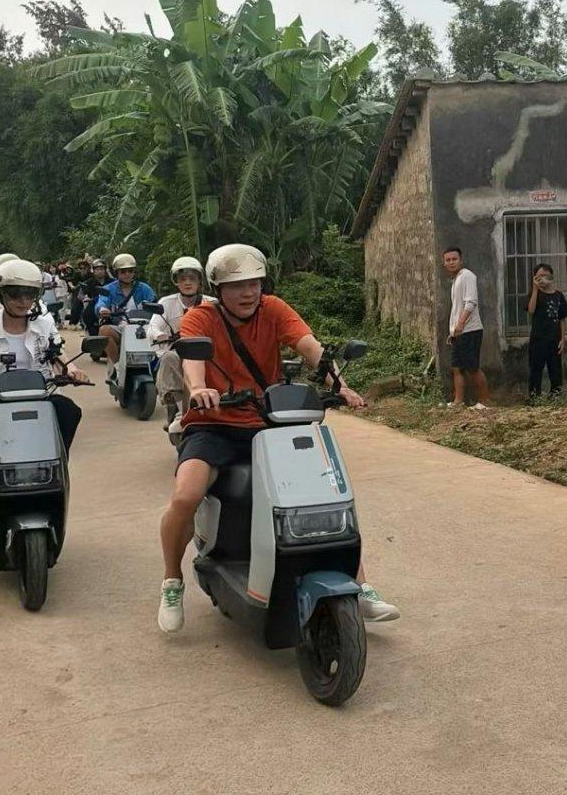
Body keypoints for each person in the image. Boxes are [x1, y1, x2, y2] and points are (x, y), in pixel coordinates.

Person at [157, 243, 400, 633]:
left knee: (323, 492)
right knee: (186, 495)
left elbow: (309, 346)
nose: (248, 293)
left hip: (267, 421)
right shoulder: (201, 317)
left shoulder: (273, 309)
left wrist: (340, 384)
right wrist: (199, 388)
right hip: (213, 424)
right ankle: (172, 580)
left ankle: (361, 582)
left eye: (254, 283)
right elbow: (193, 360)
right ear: (218, 288)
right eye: (237, 286)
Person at [0, 259, 89, 483]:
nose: (23, 301)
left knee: (69, 411)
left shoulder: (43, 325)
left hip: (40, 396)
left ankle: (57, 470)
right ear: (1, 294)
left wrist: (72, 370)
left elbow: (57, 352)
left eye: (29, 295)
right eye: (15, 294)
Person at [146, 256, 215, 425]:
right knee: (169, 357)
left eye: (192, 278)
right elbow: (153, 326)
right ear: (176, 282)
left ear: (200, 281)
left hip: (207, 354)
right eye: (183, 279)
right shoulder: (166, 303)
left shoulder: (212, 304)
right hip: (177, 351)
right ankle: (180, 412)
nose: (187, 283)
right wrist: (159, 335)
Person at [442, 246, 489, 410]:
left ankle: (484, 402)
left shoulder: (467, 276)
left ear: (461, 260)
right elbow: (456, 308)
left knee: (472, 368)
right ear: (444, 263)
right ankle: (458, 401)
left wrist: (461, 324)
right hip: (458, 332)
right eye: (448, 260)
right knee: (457, 368)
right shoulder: (456, 280)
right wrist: (452, 331)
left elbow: (471, 302)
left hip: (470, 330)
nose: (451, 262)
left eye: (454, 259)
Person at [96, 253, 157, 365]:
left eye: (130, 271)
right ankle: (116, 366)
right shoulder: (108, 289)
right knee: (104, 330)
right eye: (123, 271)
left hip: (145, 328)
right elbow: (101, 302)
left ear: (134, 272)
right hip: (120, 327)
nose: (127, 274)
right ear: (116, 273)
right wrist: (102, 309)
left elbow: (155, 304)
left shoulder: (145, 289)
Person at [526, 263, 567, 399]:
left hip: (554, 339)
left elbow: (562, 318)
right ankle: (534, 397)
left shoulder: (558, 296)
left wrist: (562, 339)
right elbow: (531, 310)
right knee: (535, 369)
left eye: (545, 276)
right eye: (538, 276)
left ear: (551, 277)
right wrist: (535, 289)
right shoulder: (534, 294)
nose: (542, 279)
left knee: (555, 370)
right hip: (538, 339)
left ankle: (555, 396)